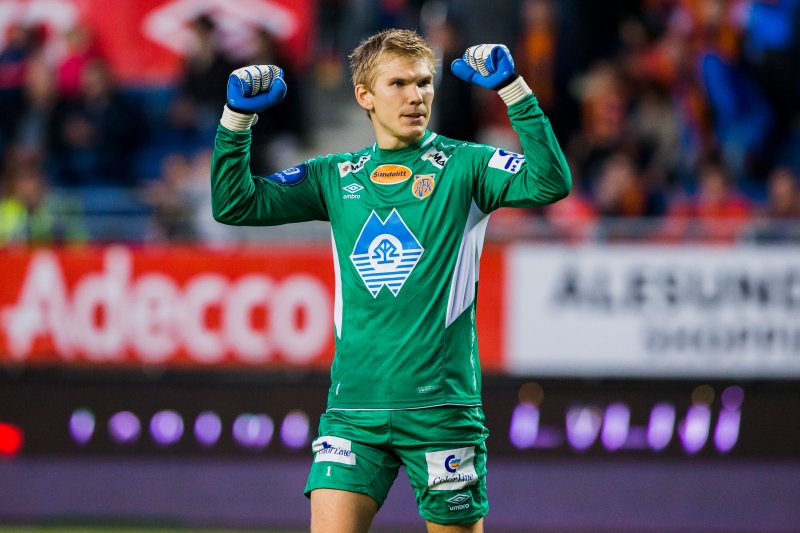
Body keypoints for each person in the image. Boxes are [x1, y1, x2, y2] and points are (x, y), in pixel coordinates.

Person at [210, 29, 570, 532]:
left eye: (424, 83)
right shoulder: (334, 176)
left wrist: (513, 89)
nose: (416, 96)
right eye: (398, 83)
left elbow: (551, 181)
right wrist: (236, 121)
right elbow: (234, 204)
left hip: (440, 410)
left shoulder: (467, 165)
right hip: (353, 411)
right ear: (365, 96)